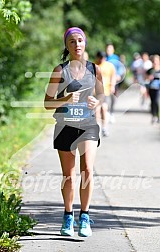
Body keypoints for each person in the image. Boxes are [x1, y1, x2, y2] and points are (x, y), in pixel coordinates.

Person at [44, 27, 104, 237]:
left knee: (87, 169)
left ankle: (85, 216)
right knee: (69, 176)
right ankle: (68, 215)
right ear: (67, 46)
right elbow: (47, 103)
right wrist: (66, 99)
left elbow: (102, 96)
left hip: (88, 125)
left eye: (80, 40)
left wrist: (96, 102)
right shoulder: (60, 71)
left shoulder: (94, 70)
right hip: (65, 126)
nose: (77, 44)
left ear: (85, 43)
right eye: (72, 42)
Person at [95, 51, 116, 136]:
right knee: (96, 110)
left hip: (106, 91)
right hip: (95, 91)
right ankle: (97, 127)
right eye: (100, 58)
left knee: (104, 108)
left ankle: (104, 127)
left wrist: (112, 86)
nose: (102, 60)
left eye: (103, 58)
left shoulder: (109, 66)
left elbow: (113, 76)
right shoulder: (93, 66)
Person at [105, 43, 122, 123]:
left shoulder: (116, 58)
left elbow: (120, 68)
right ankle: (106, 112)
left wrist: (118, 75)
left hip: (114, 80)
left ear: (113, 50)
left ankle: (112, 113)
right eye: (107, 49)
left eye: (110, 49)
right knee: (105, 98)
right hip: (105, 81)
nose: (108, 51)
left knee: (113, 98)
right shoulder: (104, 58)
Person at [146, 54, 160, 124]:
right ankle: (154, 116)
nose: (155, 62)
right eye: (154, 61)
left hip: (158, 89)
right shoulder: (150, 70)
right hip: (151, 88)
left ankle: (157, 116)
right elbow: (145, 78)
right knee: (152, 102)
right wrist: (149, 78)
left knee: (157, 101)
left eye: (156, 61)